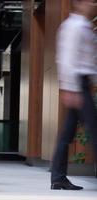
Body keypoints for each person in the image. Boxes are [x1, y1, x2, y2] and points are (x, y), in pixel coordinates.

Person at [51, 0, 97, 190]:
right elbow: (67, 59)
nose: (94, 4)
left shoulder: (84, 25)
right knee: (95, 131)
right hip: (78, 83)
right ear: (79, 3)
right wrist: (70, 88)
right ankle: (57, 177)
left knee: (67, 134)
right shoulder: (73, 26)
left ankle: (58, 178)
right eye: (90, 0)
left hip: (82, 83)